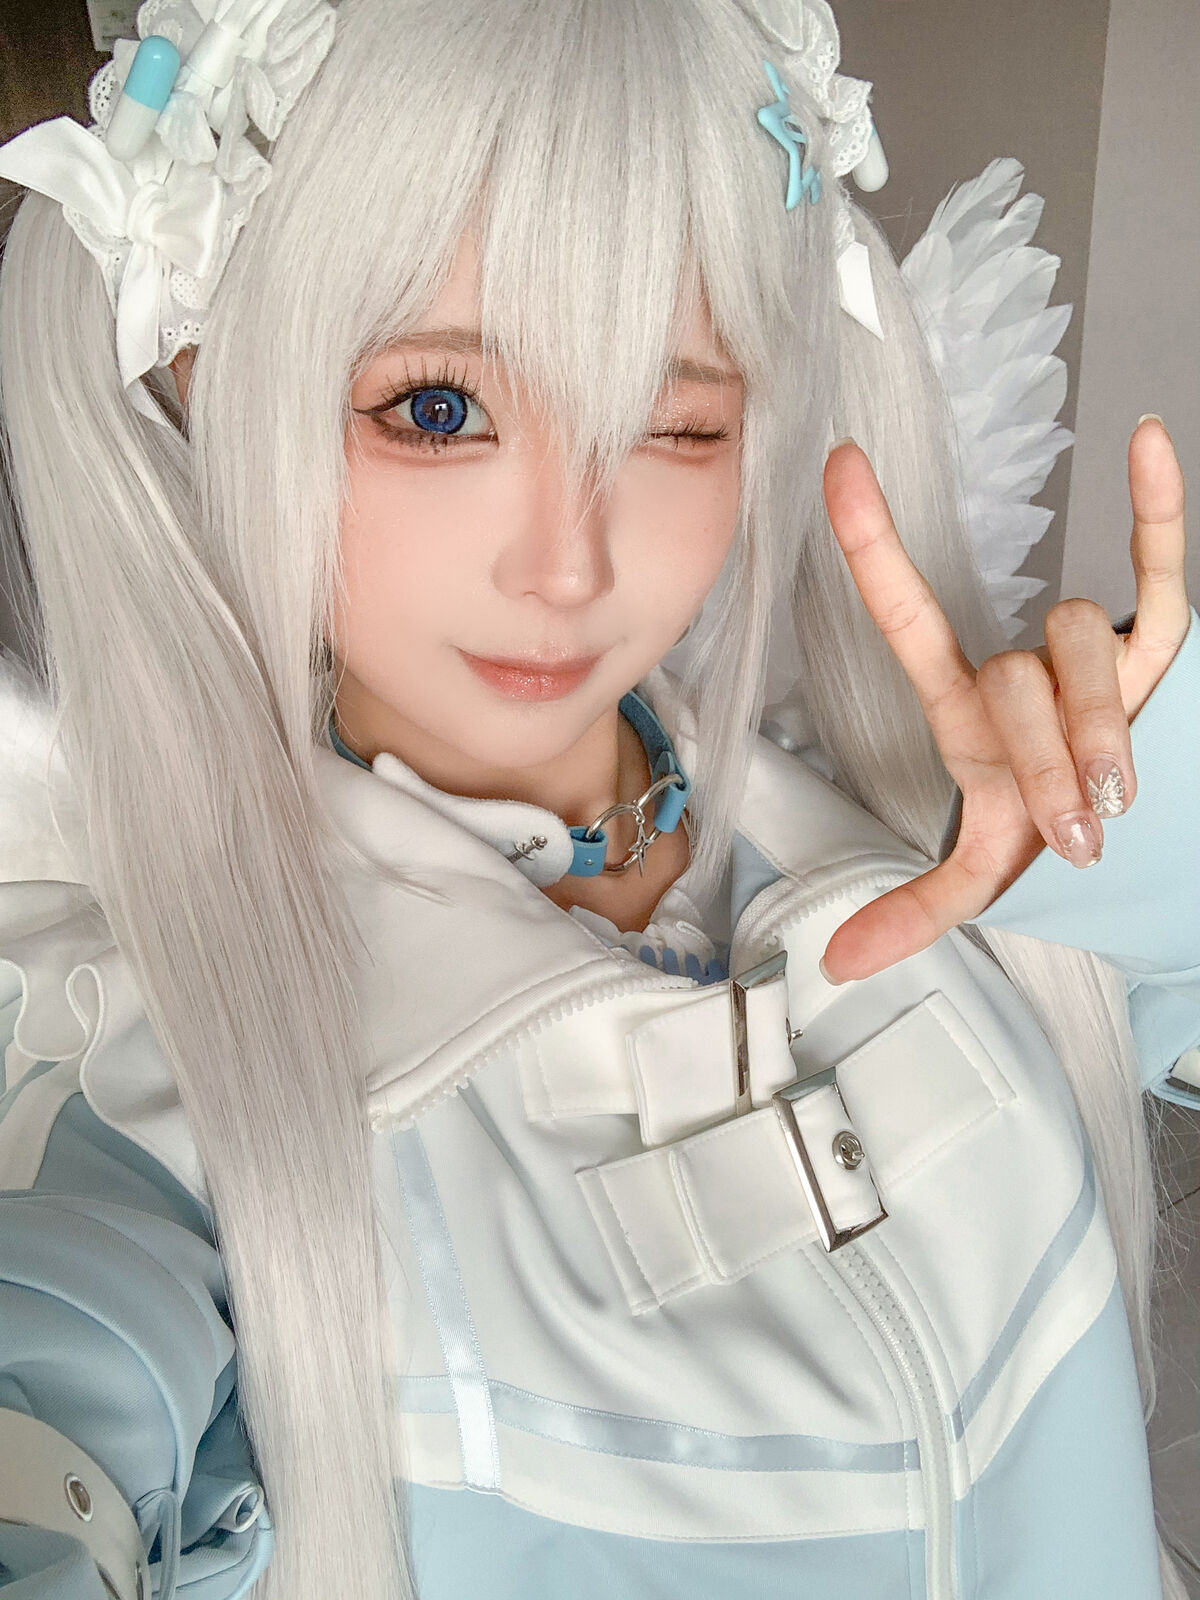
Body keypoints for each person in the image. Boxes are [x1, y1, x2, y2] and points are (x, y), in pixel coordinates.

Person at [0, 0, 1195, 1596]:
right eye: (439, 410)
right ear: (211, 380)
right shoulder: (171, 1082)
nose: (568, 564)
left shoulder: (940, 846)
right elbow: (64, 1412)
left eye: (671, 422)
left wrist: (1138, 833)